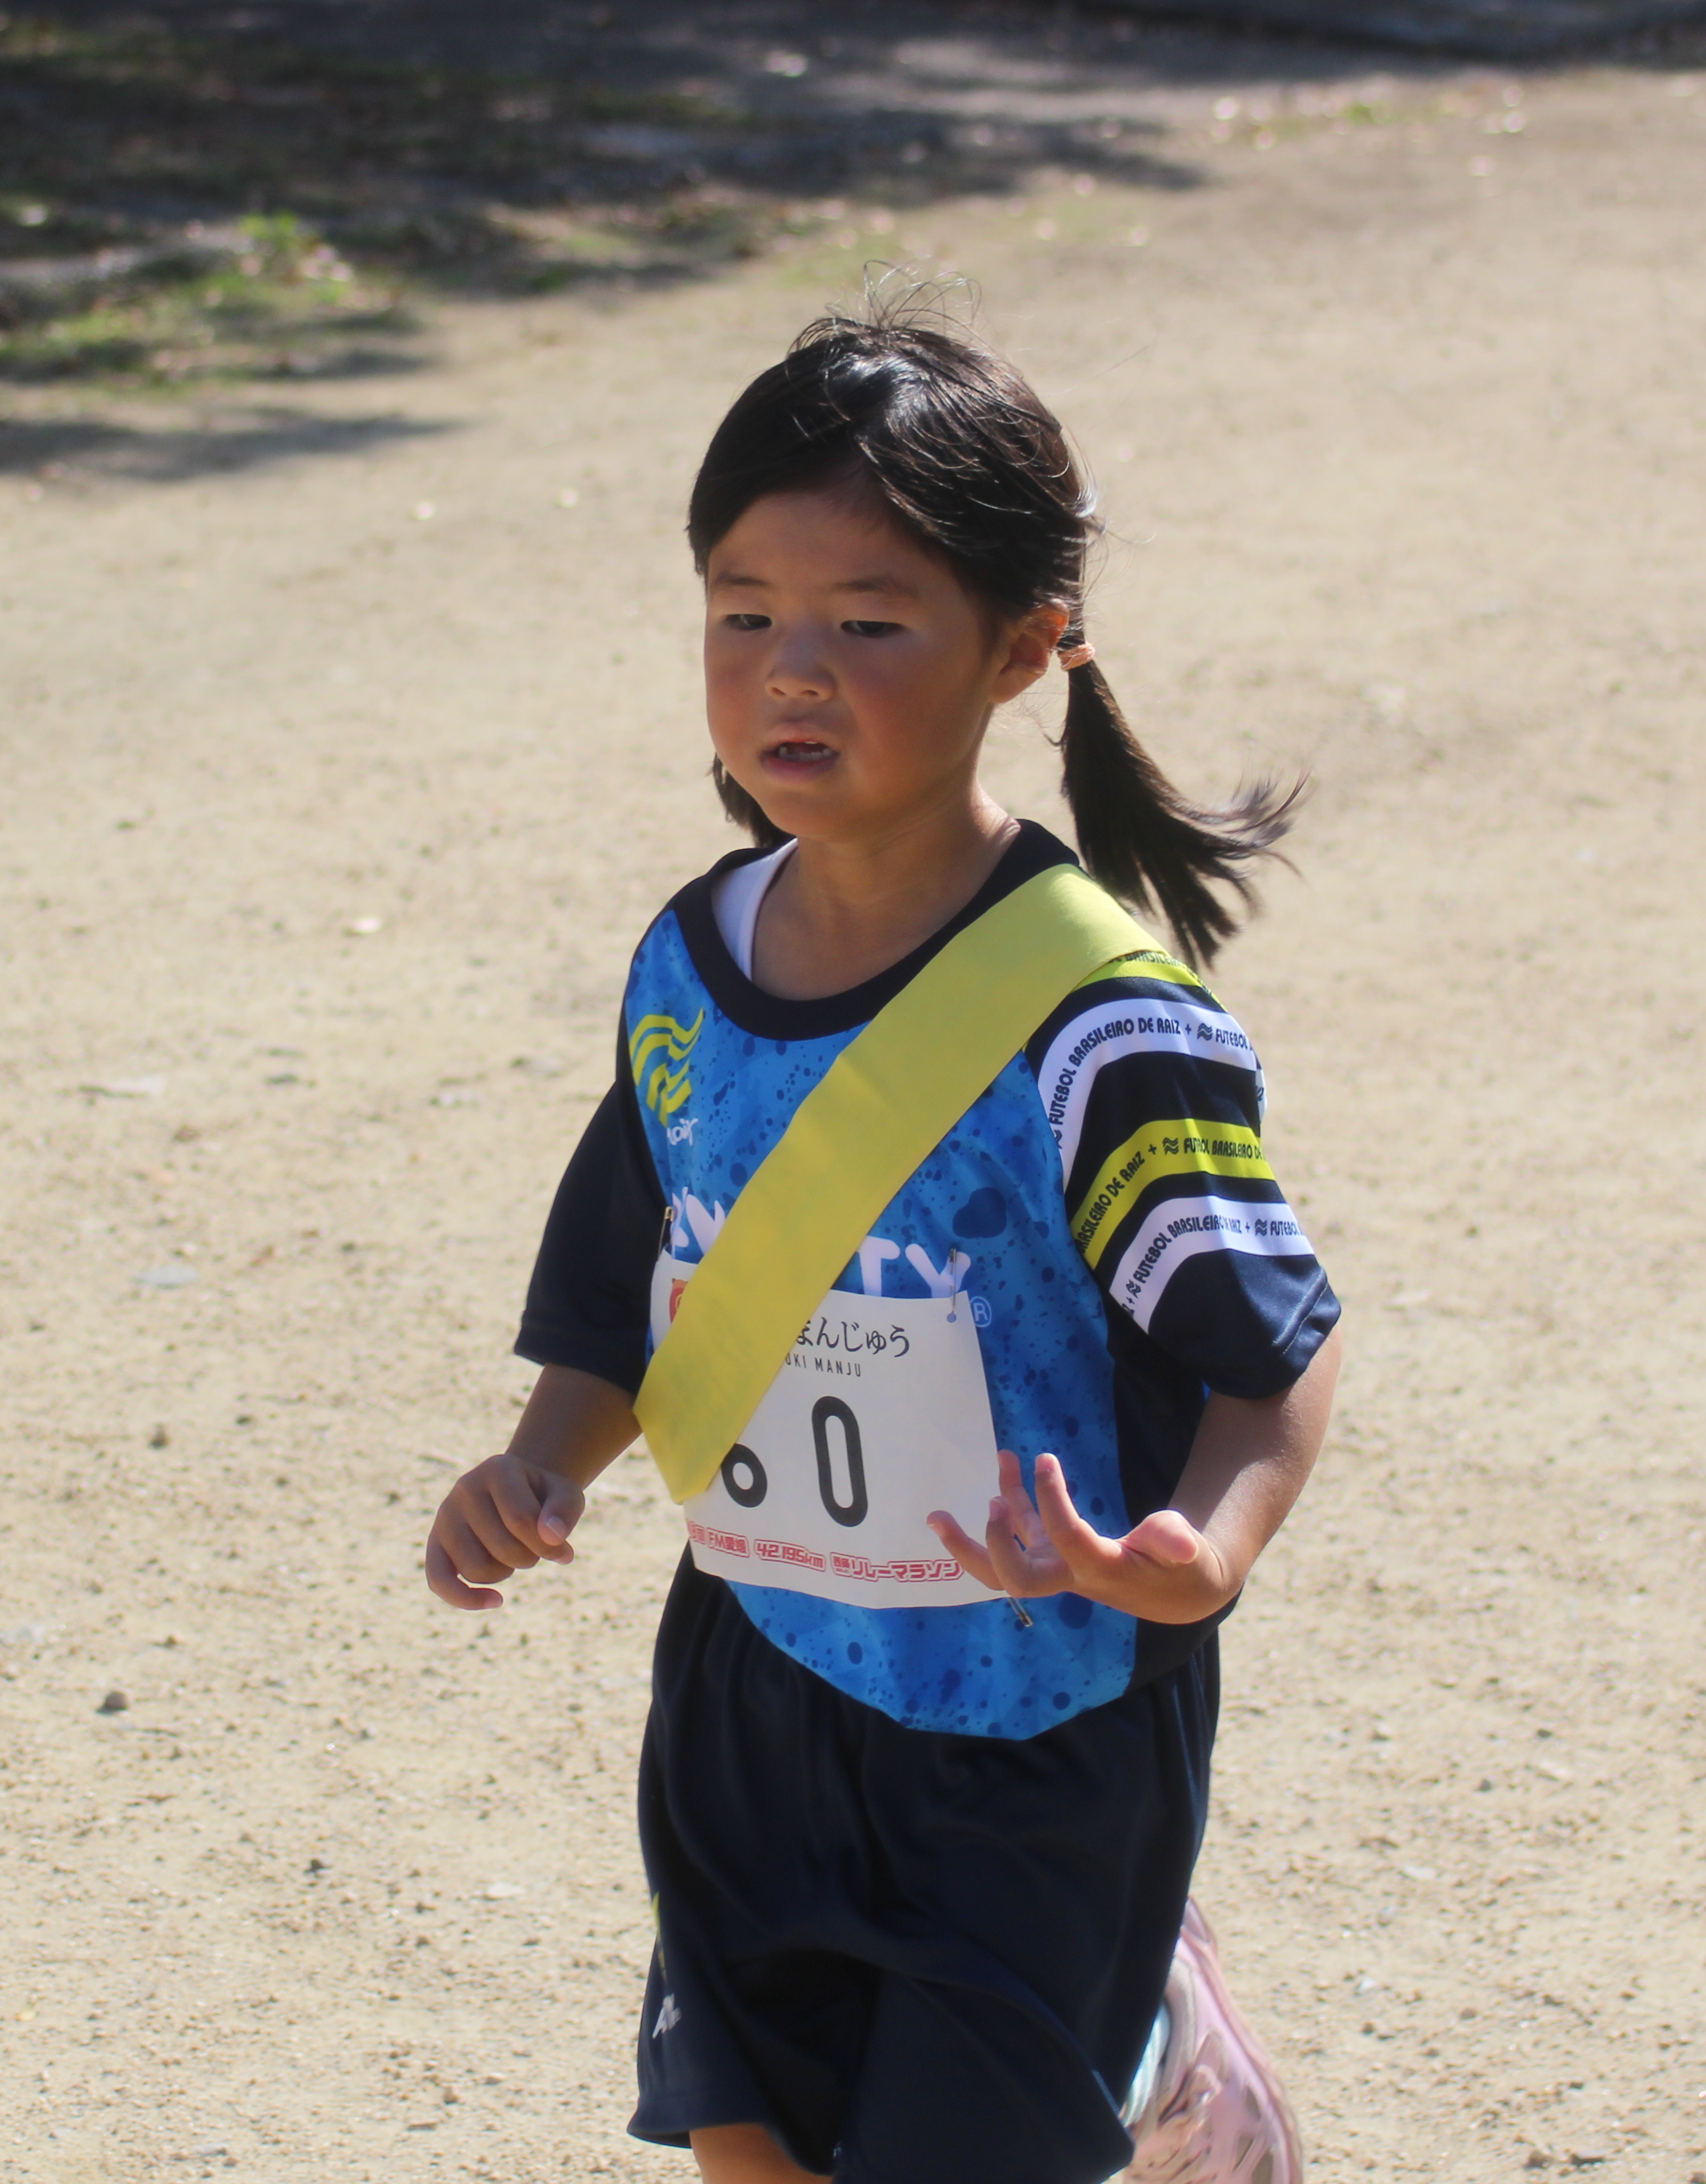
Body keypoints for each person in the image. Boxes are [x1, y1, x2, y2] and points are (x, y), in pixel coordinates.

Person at [422, 304, 1344, 2184]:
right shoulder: (688, 967)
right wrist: (540, 1462)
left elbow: (1272, 1354)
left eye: (868, 620)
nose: (793, 668)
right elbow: (627, 1286)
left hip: (1037, 1728)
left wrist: (1201, 1554)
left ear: (1023, 645)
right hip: (753, 1683)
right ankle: (1149, 2030)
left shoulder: (1100, 1024)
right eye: (744, 610)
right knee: (753, 2156)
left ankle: (1154, 2038)